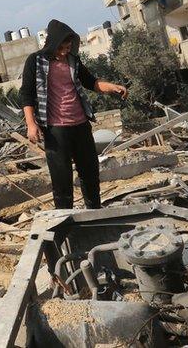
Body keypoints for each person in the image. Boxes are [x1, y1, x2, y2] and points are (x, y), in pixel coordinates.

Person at [20, 19, 127, 210]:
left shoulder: (73, 60)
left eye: (68, 47)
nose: (64, 51)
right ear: (51, 44)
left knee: (90, 174)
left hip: (81, 125)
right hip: (55, 129)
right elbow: (26, 95)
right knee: (62, 180)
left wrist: (112, 87)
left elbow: (91, 82)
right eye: (61, 48)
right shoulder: (35, 61)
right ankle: (66, 222)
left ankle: (94, 214)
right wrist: (31, 124)